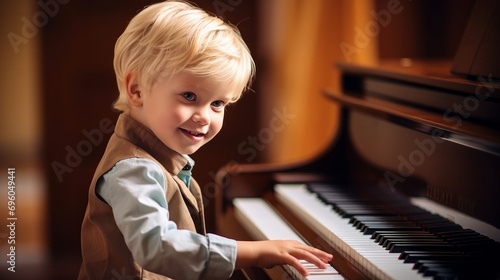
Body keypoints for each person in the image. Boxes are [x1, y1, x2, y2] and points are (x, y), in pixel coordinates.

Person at [78, 1, 333, 279]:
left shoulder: (153, 156)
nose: (204, 117)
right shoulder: (134, 169)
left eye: (218, 103)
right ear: (137, 90)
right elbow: (156, 247)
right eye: (189, 96)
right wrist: (253, 252)